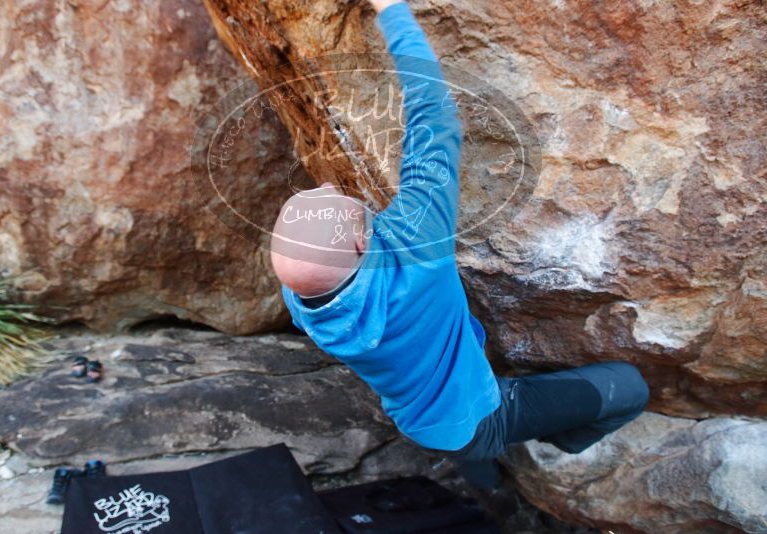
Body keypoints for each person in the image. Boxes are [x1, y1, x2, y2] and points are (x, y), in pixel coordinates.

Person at [270, 0, 649, 489]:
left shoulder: (303, 300)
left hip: (417, 419)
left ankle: (486, 470)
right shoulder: (415, 251)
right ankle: (560, 447)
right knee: (631, 387)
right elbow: (435, 119)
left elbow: (316, 255)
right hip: (480, 419)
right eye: (341, 203)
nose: (325, 189)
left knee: (470, 453)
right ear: (365, 246)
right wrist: (393, 13)